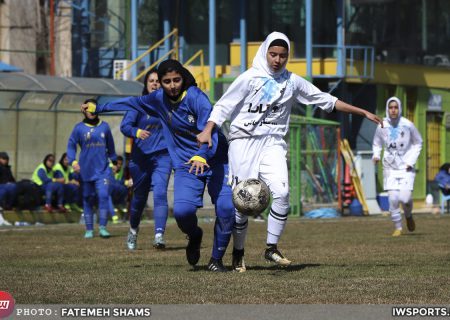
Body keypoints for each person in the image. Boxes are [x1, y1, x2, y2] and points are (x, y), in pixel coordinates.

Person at [196, 31, 383, 272]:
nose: (277, 60)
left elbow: (325, 100)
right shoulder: (249, 78)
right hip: (243, 142)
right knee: (243, 202)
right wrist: (207, 130)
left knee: (282, 192)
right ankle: (238, 252)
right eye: (273, 54)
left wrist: (363, 112)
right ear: (265, 52)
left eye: (283, 56)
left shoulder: (292, 81)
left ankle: (271, 248)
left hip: (273, 142)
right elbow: (223, 106)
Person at [82, 59, 235, 272]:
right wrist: (99, 107)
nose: (172, 85)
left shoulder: (197, 98)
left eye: (176, 80)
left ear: (183, 78)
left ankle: (216, 260)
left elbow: (210, 134)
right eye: (167, 81)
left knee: (227, 207)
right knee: (182, 213)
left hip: (216, 159)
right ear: (160, 83)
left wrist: (202, 154)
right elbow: (131, 103)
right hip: (186, 165)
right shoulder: (157, 99)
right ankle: (195, 235)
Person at [120, 68, 172, 250]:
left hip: (163, 156)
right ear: (146, 84)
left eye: (158, 81)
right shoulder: (138, 105)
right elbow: (125, 126)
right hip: (140, 159)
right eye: (151, 81)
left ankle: (159, 235)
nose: (155, 83)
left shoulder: (168, 105)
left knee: (160, 192)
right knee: (139, 198)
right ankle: (133, 231)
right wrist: (136, 131)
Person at [67, 99, 118, 239]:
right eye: (87, 108)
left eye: (93, 107)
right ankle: (89, 229)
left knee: (103, 195)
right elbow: (71, 145)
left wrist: (114, 162)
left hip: (103, 170)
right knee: (88, 198)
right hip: (86, 171)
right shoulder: (78, 128)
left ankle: (102, 227)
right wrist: (73, 161)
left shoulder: (105, 127)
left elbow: (111, 146)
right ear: (84, 110)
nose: (91, 111)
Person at [372, 96, 423, 236]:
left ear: (399, 108)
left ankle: (408, 215)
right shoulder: (382, 125)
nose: (393, 110)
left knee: (405, 199)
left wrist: (410, 161)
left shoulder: (408, 124)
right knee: (393, 198)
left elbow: (418, 142)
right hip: (389, 168)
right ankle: (398, 227)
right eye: (390, 107)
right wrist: (376, 155)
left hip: (406, 168)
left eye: (395, 107)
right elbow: (377, 143)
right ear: (387, 109)